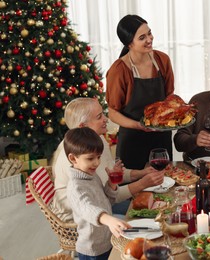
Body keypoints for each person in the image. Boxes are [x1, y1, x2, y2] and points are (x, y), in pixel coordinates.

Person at [51, 98, 164, 221]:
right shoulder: (78, 157)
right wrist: (143, 183)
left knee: (156, 208)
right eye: (99, 117)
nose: (106, 119)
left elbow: (112, 174)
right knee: (147, 217)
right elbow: (109, 196)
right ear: (83, 126)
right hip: (81, 219)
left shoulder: (96, 139)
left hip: (103, 203)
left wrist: (141, 173)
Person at [106, 14, 175, 169]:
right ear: (129, 43)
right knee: (135, 190)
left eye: (149, 33)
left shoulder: (162, 60)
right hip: (132, 141)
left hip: (161, 138)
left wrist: (173, 114)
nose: (149, 39)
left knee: (164, 185)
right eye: (142, 37)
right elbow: (113, 112)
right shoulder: (119, 70)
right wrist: (139, 125)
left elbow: (169, 96)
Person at [64, 127, 131, 259]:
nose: (97, 162)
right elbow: (88, 209)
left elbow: (106, 201)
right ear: (73, 158)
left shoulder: (91, 175)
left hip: (107, 240)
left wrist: (112, 183)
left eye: (98, 157)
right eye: (90, 158)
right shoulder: (75, 187)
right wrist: (109, 220)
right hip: (92, 250)